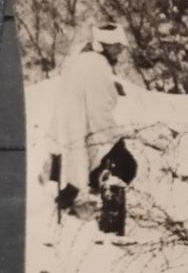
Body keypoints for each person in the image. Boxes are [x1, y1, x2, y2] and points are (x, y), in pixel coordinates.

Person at [41, 21, 137, 211]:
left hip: (70, 126)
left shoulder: (85, 59)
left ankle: (81, 202)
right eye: (117, 46)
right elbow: (98, 107)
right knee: (125, 166)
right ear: (106, 45)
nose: (120, 51)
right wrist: (113, 137)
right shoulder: (98, 65)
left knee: (79, 173)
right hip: (85, 126)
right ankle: (107, 219)